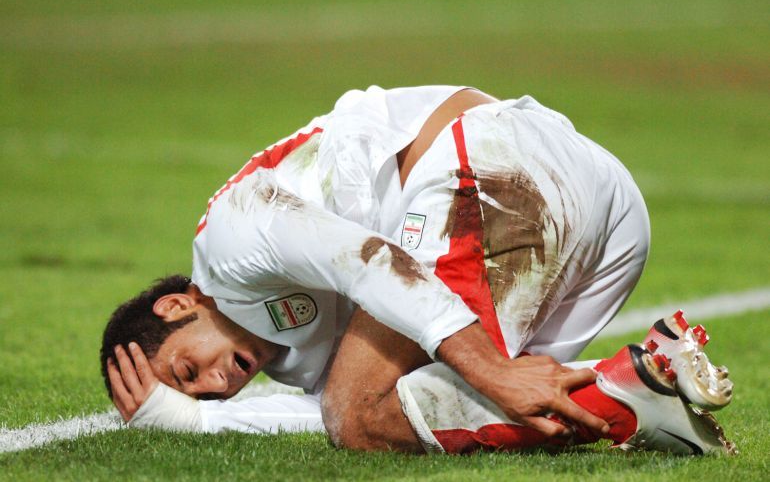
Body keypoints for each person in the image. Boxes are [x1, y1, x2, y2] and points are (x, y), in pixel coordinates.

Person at [101, 86, 733, 454]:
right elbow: (334, 410)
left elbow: (373, 263)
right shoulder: (288, 357)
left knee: (364, 414)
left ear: (177, 306)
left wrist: (490, 369)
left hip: (495, 166)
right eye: (209, 394)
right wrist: (194, 419)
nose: (217, 383)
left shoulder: (231, 235)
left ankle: (627, 399)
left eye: (188, 371)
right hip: (608, 224)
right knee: (409, 404)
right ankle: (641, 380)